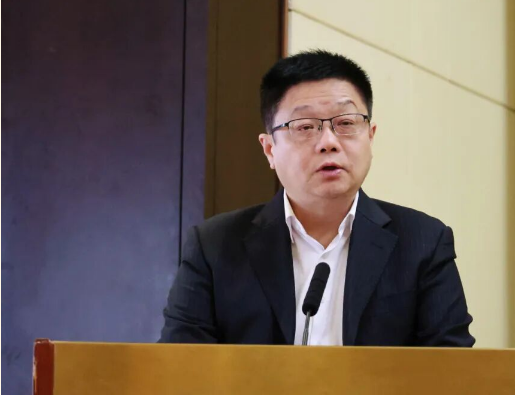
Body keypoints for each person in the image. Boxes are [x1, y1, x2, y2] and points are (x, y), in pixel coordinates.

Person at [159, 50, 475, 347]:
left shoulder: (423, 243)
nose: (328, 142)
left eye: (346, 123)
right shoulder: (214, 247)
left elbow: (451, 369)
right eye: (305, 127)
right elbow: (180, 366)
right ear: (269, 149)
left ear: (370, 136)